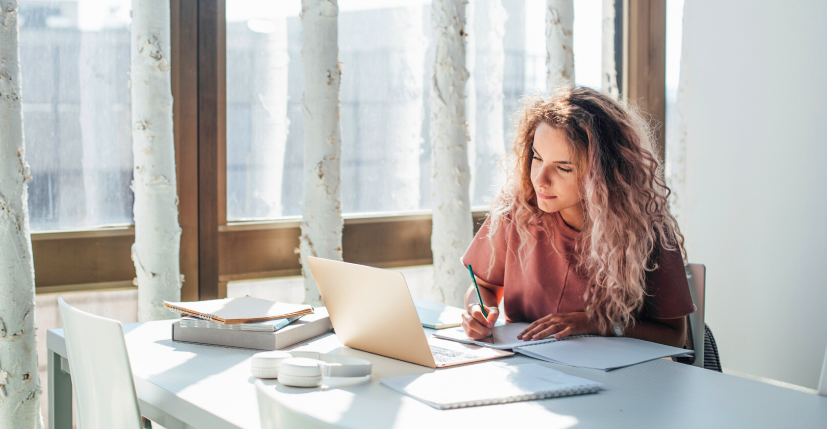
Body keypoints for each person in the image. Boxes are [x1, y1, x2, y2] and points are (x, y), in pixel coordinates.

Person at [461, 87, 695, 348]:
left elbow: (675, 336)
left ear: (603, 173)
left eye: (563, 168)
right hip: (530, 369)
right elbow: (483, 288)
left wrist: (596, 324)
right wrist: (479, 311)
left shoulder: (644, 230)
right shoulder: (515, 212)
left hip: (620, 377)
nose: (539, 180)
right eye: (537, 158)